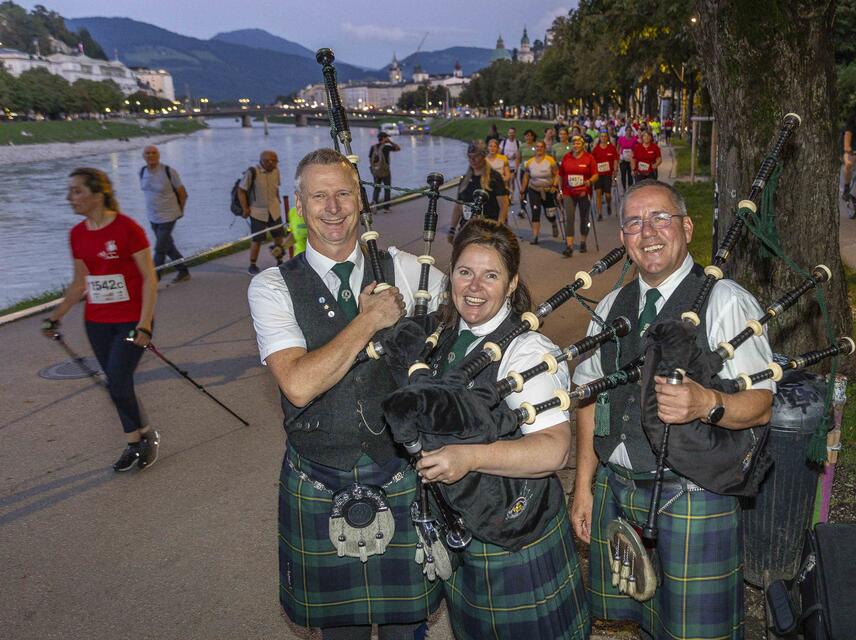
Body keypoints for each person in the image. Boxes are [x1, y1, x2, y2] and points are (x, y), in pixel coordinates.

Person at [247, 148, 446, 639]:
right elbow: (298, 384)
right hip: (319, 477)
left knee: (408, 631)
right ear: (299, 204)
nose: (332, 207)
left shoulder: (409, 271)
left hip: (400, 472)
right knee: (342, 634)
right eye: (319, 196)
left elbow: (473, 322)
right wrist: (371, 321)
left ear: (361, 199)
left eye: (342, 193)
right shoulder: (272, 286)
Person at [569, 180, 775, 640]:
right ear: (623, 238)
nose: (648, 232)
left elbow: (762, 405)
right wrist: (583, 487)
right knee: (646, 617)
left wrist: (709, 402)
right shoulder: (610, 306)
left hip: (693, 494)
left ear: (687, 227)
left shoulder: (726, 302)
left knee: (695, 631)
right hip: (617, 489)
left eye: (660, 217)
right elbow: (587, 397)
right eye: (634, 223)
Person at [412, 218, 591, 639]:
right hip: (465, 528)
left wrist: (469, 457)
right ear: (450, 274)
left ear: (511, 284)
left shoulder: (526, 350)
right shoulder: (447, 334)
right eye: (464, 272)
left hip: (515, 538)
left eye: (490, 275)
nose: (474, 287)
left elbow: (552, 450)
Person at [43, 168, 160, 472]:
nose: (71, 197)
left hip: (132, 320)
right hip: (96, 321)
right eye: (70, 191)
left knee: (118, 381)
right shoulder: (77, 235)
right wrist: (55, 317)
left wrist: (145, 323)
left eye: (77, 190)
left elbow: (149, 278)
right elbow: (80, 283)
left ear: (98, 194)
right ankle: (135, 442)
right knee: (115, 384)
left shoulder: (127, 228)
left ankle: (143, 439)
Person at [139, 145, 190, 284]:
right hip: (153, 217)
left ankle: (154, 280)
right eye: (147, 153)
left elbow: (183, 194)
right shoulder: (142, 171)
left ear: (159, 155)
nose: (151, 155)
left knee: (160, 248)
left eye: (154, 153)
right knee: (168, 245)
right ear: (144, 156)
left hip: (169, 215)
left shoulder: (169, 171)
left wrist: (180, 211)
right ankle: (183, 270)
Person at [448, 140, 510, 238]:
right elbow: (458, 206)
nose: (473, 160)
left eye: (476, 156)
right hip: (467, 229)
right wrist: (452, 229)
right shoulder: (465, 180)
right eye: (470, 157)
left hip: (488, 230)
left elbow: (504, 204)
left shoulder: (494, 177)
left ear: (483, 156)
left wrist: (499, 226)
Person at [238, 150, 286, 275]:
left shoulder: (276, 170)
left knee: (278, 235)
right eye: (274, 161)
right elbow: (241, 190)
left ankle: (279, 260)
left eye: (276, 161)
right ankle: (252, 265)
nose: (275, 163)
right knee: (257, 239)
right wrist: (245, 208)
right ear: (266, 161)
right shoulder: (252, 172)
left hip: (274, 209)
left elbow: (276, 187)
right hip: (257, 211)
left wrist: (278, 199)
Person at [558, 135, 598, 256]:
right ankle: (569, 246)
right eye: (574, 143)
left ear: (583, 145)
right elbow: (561, 175)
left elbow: (596, 175)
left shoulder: (589, 158)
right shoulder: (567, 157)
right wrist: (559, 191)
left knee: (584, 218)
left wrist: (589, 181)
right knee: (569, 218)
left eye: (578, 143)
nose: (576, 146)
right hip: (568, 192)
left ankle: (582, 241)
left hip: (583, 192)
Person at [521, 139, 560, 244]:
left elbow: (557, 174)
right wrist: (522, 190)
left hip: (548, 190)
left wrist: (554, 186)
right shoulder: (530, 162)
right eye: (537, 147)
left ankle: (553, 223)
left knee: (549, 214)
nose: (539, 149)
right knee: (535, 212)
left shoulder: (550, 160)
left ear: (544, 148)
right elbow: (526, 176)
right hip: (534, 189)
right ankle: (535, 236)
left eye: (541, 147)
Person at [369, 131, 401, 213]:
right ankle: (386, 208)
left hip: (375, 171)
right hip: (385, 171)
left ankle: (374, 206)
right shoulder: (386, 147)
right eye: (387, 137)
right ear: (384, 138)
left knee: (376, 189)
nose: (388, 138)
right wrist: (390, 142)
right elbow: (398, 148)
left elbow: (370, 159)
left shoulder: (373, 147)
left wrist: (374, 169)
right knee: (387, 188)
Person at [592, 130, 619, 220]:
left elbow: (615, 159)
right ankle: (599, 213)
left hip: (608, 174)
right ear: (599, 138)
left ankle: (608, 204)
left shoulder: (611, 148)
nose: (603, 138)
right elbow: (592, 161)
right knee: (598, 193)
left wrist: (615, 169)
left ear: (607, 138)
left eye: (605, 136)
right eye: (602, 136)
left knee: (608, 195)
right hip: (598, 175)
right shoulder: (596, 149)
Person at [517, 129, 539, 216]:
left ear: (533, 137)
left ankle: (536, 206)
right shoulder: (522, 146)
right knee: (523, 190)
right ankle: (523, 208)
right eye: (527, 135)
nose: (528, 137)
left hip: (534, 171)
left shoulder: (536, 146)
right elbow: (518, 158)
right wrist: (516, 169)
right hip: (524, 170)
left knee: (534, 189)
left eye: (530, 135)